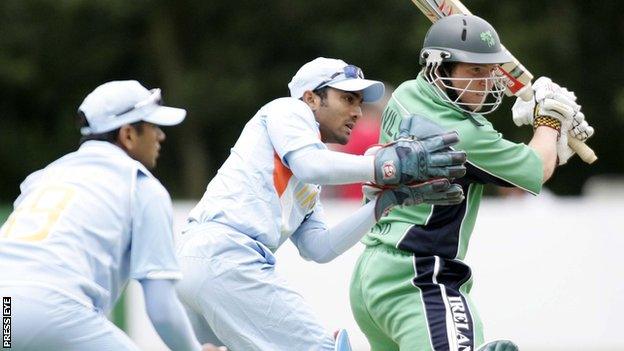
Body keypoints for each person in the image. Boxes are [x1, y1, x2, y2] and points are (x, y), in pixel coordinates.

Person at [175, 57, 468, 351]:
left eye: (360, 103)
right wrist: (385, 165)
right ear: (311, 98)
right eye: (347, 99)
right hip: (228, 258)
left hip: (200, 263)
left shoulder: (308, 178)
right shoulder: (288, 109)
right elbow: (311, 165)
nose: (357, 112)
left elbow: (319, 248)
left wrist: (385, 204)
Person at [348, 14, 594, 351]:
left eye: (489, 70)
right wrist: (549, 119)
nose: (484, 82)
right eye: (472, 71)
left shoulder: (407, 93)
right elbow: (536, 169)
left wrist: (545, 134)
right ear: (438, 69)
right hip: (419, 279)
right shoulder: (463, 135)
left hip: (371, 274)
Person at [0, 81, 224, 351]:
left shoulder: (41, 178)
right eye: (153, 126)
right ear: (128, 134)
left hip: (5, 315)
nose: (160, 136)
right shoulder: (139, 185)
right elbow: (161, 307)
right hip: (56, 312)